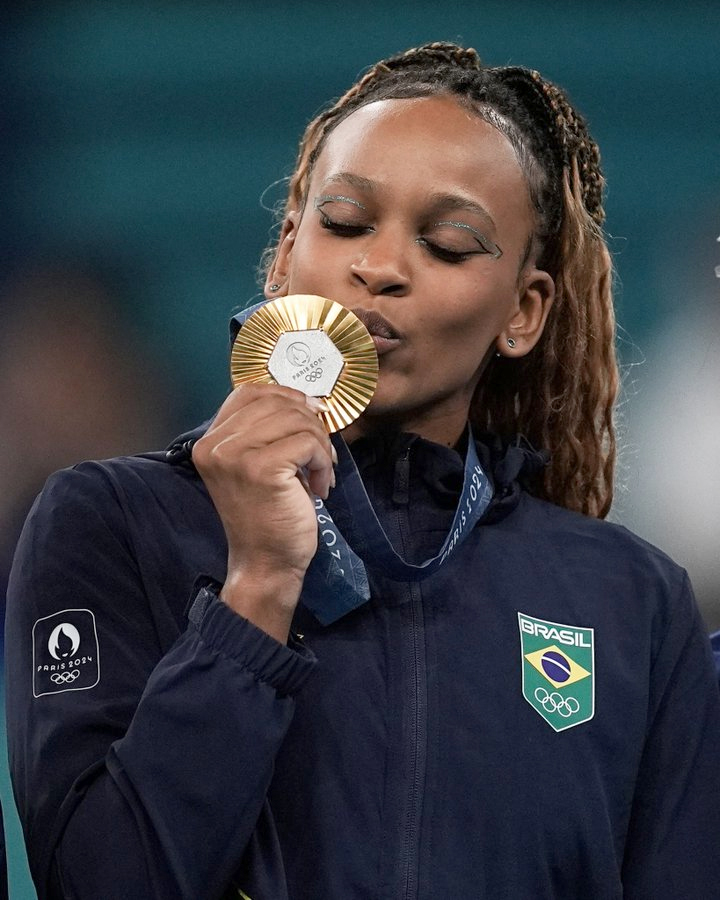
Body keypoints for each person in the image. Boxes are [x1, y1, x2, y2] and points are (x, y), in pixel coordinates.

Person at [5, 42, 720, 899]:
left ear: (524, 313)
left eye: (448, 243)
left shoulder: (629, 601)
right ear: (283, 254)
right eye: (343, 222)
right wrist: (258, 587)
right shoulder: (114, 522)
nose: (379, 267)